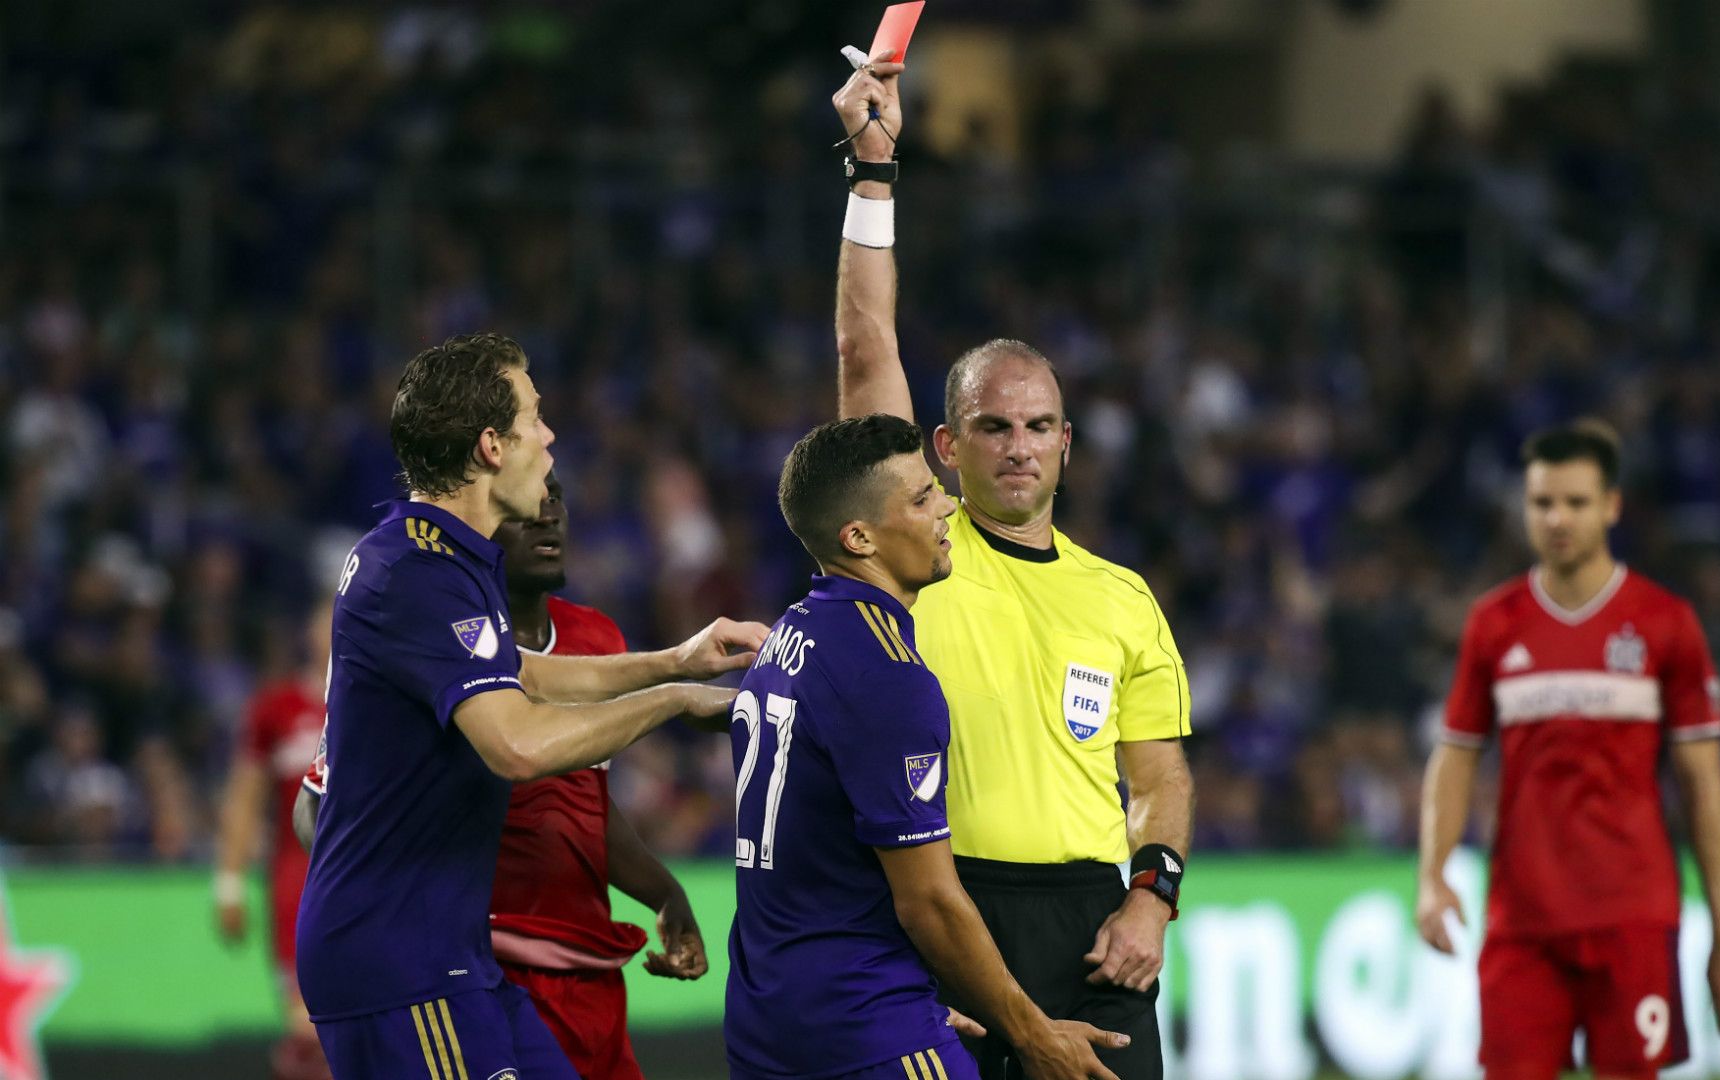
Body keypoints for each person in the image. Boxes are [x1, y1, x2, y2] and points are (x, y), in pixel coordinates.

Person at [830, 56, 1194, 1080]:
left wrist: (1152, 896)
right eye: (992, 426)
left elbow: (1158, 772)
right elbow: (866, 353)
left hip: (1092, 929)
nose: (1019, 446)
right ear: (946, 448)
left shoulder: (1122, 599)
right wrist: (873, 171)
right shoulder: (914, 552)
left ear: (1069, 444)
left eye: (1039, 427)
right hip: (943, 909)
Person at [295, 332, 767, 1080]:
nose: (550, 439)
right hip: (400, 963)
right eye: (535, 418)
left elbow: (523, 675)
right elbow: (515, 744)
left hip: (453, 953)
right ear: (491, 446)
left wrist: (676, 659)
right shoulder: (415, 573)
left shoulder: (444, 555)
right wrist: (674, 701)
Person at [726, 413, 1127, 1080]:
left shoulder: (792, 633)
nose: (946, 505)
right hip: (866, 1028)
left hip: (766, 1019)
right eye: (919, 498)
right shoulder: (888, 677)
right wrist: (1033, 1034)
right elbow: (930, 903)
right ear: (858, 537)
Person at [1415, 420, 1720, 1080]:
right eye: (1542, 502)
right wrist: (1431, 877)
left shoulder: (1666, 624)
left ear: (1611, 506)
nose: (1557, 518)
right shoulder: (1494, 624)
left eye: (1576, 502)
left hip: (1632, 918)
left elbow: (1704, 787)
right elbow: (1456, 755)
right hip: (1522, 922)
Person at [213, 602, 332, 1080]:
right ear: (309, 630)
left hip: (368, 881)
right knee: (305, 1025)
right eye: (326, 617)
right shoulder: (276, 708)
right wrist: (229, 882)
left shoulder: (381, 702)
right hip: (295, 882)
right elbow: (244, 797)